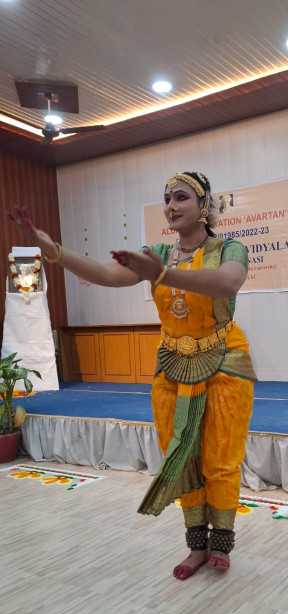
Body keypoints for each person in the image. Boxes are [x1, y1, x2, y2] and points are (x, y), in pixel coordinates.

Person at [7, 171, 257, 580]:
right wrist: (55, 252)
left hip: (224, 360)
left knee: (220, 457)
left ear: (203, 205)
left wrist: (163, 275)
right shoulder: (156, 253)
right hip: (172, 366)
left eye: (181, 197)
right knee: (180, 455)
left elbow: (227, 283)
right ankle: (196, 545)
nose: (171, 206)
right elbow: (107, 274)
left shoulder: (230, 248)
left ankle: (222, 542)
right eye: (167, 198)